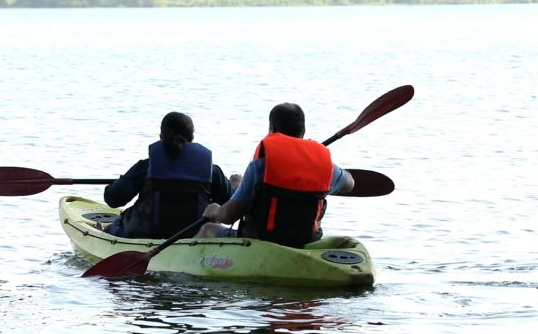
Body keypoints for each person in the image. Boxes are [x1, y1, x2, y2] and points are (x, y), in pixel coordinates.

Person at [195, 102, 355, 248]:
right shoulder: (326, 167)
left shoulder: (260, 167)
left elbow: (229, 216)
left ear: (271, 129)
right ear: (303, 131)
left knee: (208, 229)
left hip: (260, 242)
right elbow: (350, 184)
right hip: (305, 242)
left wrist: (214, 211)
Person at [101, 111, 239, 238]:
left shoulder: (145, 167)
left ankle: (102, 230)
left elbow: (112, 199)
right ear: (192, 137)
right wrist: (235, 186)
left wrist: (118, 183)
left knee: (114, 226)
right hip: (194, 234)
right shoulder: (212, 171)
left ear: (161, 137)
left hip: (144, 233)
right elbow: (228, 203)